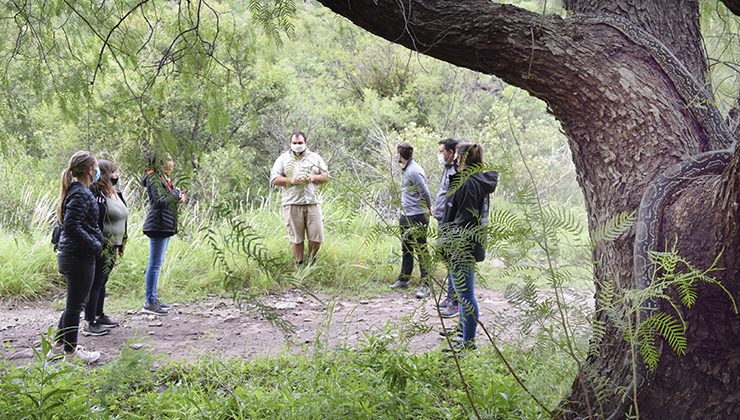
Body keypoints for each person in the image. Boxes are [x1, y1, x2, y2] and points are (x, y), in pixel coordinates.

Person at [441, 142, 498, 353]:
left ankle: (468, 344)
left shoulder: (468, 183)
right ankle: (462, 335)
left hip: (462, 246)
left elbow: (463, 221)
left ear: (462, 158)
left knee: (466, 296)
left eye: (457, 156)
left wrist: (450, 244)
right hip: (466, 244)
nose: (454, 160)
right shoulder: (474, 181)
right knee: (462, 292)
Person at [53, 151, 104, 363]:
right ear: (90, 170)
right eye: (96, 166)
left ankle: (57, 345)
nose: (98, 170)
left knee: (74, 303)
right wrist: (95, 245)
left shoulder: (80, 191)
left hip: (74, 255)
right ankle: (71, 352)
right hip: (78, 257)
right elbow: (72, 226)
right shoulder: (80, 194)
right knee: (76, 306)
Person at [270, 131, 329, 266]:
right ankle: (299, 265)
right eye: (295, 143)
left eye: (300, 143)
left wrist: (312, 178)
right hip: (292, 203)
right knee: (297, 238)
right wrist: (292, 180)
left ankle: (312, 261)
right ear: (291, 143)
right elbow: (275, 179)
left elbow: (326, 176)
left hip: (312, 202)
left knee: (317, 235)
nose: (297, 145)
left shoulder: (315, 157)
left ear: (305, 143)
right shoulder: (283, 159)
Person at [83, 159, 128, 336]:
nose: (116, 175)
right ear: (104, 173)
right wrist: (97, 241)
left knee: (103, 281)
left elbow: (123, 216)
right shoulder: (94, 192)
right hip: (101, 243)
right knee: (96, 282)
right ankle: (89, 321)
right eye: (113, 172)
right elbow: (94, 218)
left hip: (114, 243)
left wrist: (123, 239)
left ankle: (99, 314)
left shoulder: (115, 192)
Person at [141, 153, 186, 315]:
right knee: (154, 265)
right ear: (159, 163)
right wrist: (175, 195)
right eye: (168, 159)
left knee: (157, 264)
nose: (171, 162)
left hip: (164, 224)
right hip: (158, 225)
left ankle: (153, 298)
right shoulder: (153, 179)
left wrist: (177, 198)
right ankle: (150, 302)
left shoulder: (162, 178)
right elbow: (159, 201)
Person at [390, 142, 433, 299]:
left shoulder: (414, 171)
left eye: (397, 153)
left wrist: (429, 207)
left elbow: (425, 191)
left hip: (418, 215)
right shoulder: (407, 169)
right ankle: (404, 279)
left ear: (400, 155)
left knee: (421, 250)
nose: (396, 156)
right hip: (406, 215)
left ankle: (426, 284)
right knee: (407, 248)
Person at [433, 138, 459, 318]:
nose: (440, 155)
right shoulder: (447, 169)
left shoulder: (456, 171)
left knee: (454, 262)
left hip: (450, 222)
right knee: (448, 261)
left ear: (451, 152)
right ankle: (450, 297)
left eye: (442, 151)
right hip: (442, 219)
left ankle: (455, 302)